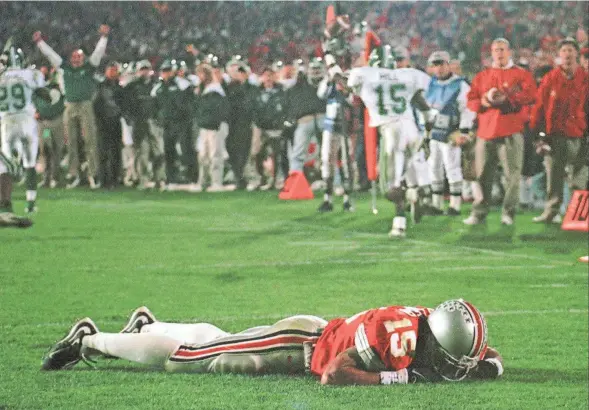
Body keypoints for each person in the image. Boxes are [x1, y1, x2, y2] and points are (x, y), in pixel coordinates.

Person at [41, 299, 504, 386]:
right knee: (188, 362)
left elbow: (483, 355)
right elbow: (334, 375)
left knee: (218, 343)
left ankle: (147, 327)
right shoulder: (398, 336)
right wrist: (396, 379)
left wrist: (487, 365)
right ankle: (92, 340)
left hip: (312, 337)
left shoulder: (436, 327)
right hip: (301, 344)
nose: (456, 366)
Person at [347, 45, 437, 238]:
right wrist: (428, 131)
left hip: (391, 132)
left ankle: (403, 214)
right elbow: (423, 105)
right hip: (411, 129)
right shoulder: (407, 75)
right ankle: (409, 205)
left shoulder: (365, 74)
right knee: (408, 175)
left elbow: (343, 83)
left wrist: (331, 61)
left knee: (390, 186)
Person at [464, 38, 537, 226]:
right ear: (491, 53)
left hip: (511, 130)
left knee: (512, 176)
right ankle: (479, 212)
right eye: (496, 50)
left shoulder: (521, 74)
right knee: (482, 175)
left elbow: (531, 95)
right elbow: (471, 99)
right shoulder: (483, 75)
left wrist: (509, 99)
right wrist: (484, 102)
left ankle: (508, 213)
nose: (499, 53)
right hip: (486, 131)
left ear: (509, 52)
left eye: (502, 49)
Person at [33, 25, 110, 189]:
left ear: (83, 58)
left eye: (79, 56)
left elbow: (97, 53)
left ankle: (93, 174)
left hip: (85, 105)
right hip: (69, 105)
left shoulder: (89, 67)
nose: (76, 59)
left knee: (90, 140)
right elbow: (50, 54)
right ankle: (74, 174)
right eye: (74, 56)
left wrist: (104, 38)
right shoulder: (65, 68)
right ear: (71, 58)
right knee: (71, 142)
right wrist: (40, 43)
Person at [530, 38, 589, 223]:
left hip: (579, 134)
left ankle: (577, 215)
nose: (567, 54)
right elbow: (539, 106)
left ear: (577, 55)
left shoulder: (585, 78)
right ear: (559, 55)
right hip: (555, 135)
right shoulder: (550, 78)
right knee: (554, 176)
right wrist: (538, 134)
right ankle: (551, 212)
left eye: (571, 50)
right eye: (564, 50)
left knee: (578, 177)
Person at [425, 51, 476, 216]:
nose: (438, 69)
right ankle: (436, 203)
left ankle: (455, 204)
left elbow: (467, 109)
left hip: (451, 131)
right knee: (434, 166)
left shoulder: (460, 84)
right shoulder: (430, 83)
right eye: (435, 65)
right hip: (434, 130)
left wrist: (464, 130)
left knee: (452, 166)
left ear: (448, 64)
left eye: (441, 64)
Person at [0, 45, 46, 214]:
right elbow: (44, 93)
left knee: (5, 165)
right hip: (26, 120)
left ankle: (5, 202)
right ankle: (30, 204)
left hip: (7, 121)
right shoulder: (30, 74)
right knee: (30, 163)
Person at [316, 59, 354, 212]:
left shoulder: (350, 78)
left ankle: (347, 199)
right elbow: (321, 94)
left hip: (347, 128)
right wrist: (329, 80)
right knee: (327, 160)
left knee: (347, 162)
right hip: (330, 127)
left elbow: (353, 100)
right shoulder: (330, 84)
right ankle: (327, 198)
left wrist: (346, 87)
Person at [150, 60, 194, 187]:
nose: (166, 73)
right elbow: (154, 108)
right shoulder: (157, 88)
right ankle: (171, 177)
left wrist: (187, 117)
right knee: (169, 151)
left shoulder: (183, 84)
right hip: (167, 124)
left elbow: (189, 102)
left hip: (182, 122)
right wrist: (159, 119)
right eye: (164, 71)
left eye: (168, 70)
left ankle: (190, 176)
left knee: (186, 150)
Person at [124, 60, 165, 190]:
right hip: (139, 123)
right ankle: (142, 179)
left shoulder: (156, 85)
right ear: (138, 71)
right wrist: (131, 119)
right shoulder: (131, 87)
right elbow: (127, 106)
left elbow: (161, 104)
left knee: (158, 152)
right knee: (142, 152)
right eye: (142, 69)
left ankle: (160, 179)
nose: (145, 71)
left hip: (154, 122)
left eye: (146, 69)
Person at [193, 63, 229, 192]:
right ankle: (203, 181)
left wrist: (213, 123)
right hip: (205, 126)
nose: (199, 76)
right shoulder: (202, 89)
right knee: (203, 155)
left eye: (201, 73)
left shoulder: (215, 89)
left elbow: (217, 111)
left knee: (215, 155)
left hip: (215, 126)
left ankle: (216, 182)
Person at [251, 66, 287, 190]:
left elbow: (284, 109)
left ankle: (275, 180)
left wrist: (280, 123)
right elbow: (253, 109)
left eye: (270, 75)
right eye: (266, 75)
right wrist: (258, 122)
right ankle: (261, 178)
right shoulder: (257, 92)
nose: (268, 78)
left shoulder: (281, 92)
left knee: (276, 155)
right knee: (257, 154)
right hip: (260, 128)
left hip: (275, 128)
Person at [94, 62, 125, 189]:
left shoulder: (120, 88)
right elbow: (96, 105)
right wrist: (98, 121)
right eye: (111, 70)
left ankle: (114, 179)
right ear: (106, 72)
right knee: (103, 152)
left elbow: (124, 105)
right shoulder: (100, 87)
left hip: (116, 122)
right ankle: (103, 179)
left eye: (115, 70)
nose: (113, 73)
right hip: (103, 123)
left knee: (116, 152)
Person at [33, 68, 65, 189]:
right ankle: (46, 177)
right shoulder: (37, 90)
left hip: (56, 122)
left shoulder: (59, 88)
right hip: (44, 124)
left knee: (56, 150)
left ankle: (54, 177)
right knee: (45, 150)